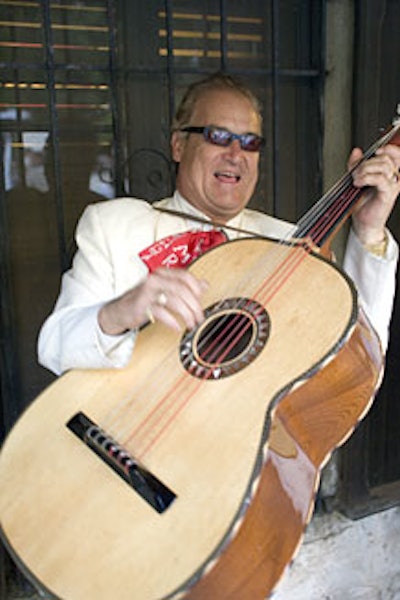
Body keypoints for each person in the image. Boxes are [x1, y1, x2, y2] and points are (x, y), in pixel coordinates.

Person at [37, 73, 400, 376]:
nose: (235, 155)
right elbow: (54, 346)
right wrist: (121, 311)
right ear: (178, 145)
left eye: (249, 143)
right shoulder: (113, 226)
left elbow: (356, 366)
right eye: (218, 137)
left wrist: (368, 231)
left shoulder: (292, 244)